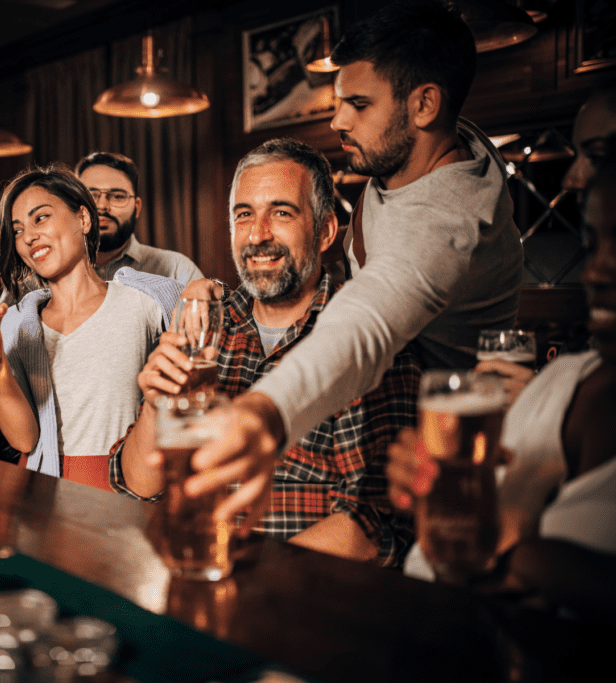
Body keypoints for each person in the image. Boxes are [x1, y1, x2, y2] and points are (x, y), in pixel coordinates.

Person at [180, 0, 523, 531]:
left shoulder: (443, 224)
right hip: (388, 410)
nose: (337, 120)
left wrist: (263, 413)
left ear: (425, 104)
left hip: (447, 452)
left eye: (358, 104)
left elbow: (367, 321)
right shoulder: (430, 148)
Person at [111, 139, 420, 566]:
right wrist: (155, 405)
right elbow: (138, 484)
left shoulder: (364, 338)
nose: (258, 235)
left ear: (326, 231)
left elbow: (373, 525)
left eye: (281, 212)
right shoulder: (206, 329)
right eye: (244, 215)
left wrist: (246, 576)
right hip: (194, 575)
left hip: (301, 599)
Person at [388, 138, 616, 623]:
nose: (596, 271)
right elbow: (450, 566)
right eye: (593, 243)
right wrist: (437, 507)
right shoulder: (559, 383)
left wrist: (525, 555)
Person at [0, 166, 182, 490]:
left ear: (84, 219)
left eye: (40, 217)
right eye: (17, 230)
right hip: (43, 489)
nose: (28, 236)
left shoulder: (145, 303)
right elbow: (24, 440)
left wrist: (205, 289)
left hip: (128, 483)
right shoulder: (16, 322)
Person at [473, 82, 616, 407]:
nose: (570, 179)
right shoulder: (594, 347)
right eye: (593, 246)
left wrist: (542, 404)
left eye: (595, 155)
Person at [76, 152, 204, 284]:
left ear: (137, 207)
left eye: (117, 196)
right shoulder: (55, 268)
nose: (102, 206)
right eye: (90, 195)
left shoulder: (177, 270)